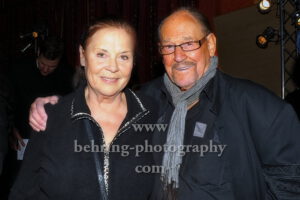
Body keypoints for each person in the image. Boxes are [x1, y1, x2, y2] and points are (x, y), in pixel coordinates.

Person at [29, 7, 300, 200]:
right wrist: (54, 106)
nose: (178, 55)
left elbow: (291, 184)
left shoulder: (257, 106)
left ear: (211, 44)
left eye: (188, 43)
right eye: (168, 47)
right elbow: (103, 104)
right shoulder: (148, 102)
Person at [9, 19, 156, 200]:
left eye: (123, 56)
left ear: (133, 62)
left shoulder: (154, 113)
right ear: (83, 56)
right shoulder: (51, 118)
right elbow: (23, 192)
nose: (113, 67)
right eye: (102, 54)